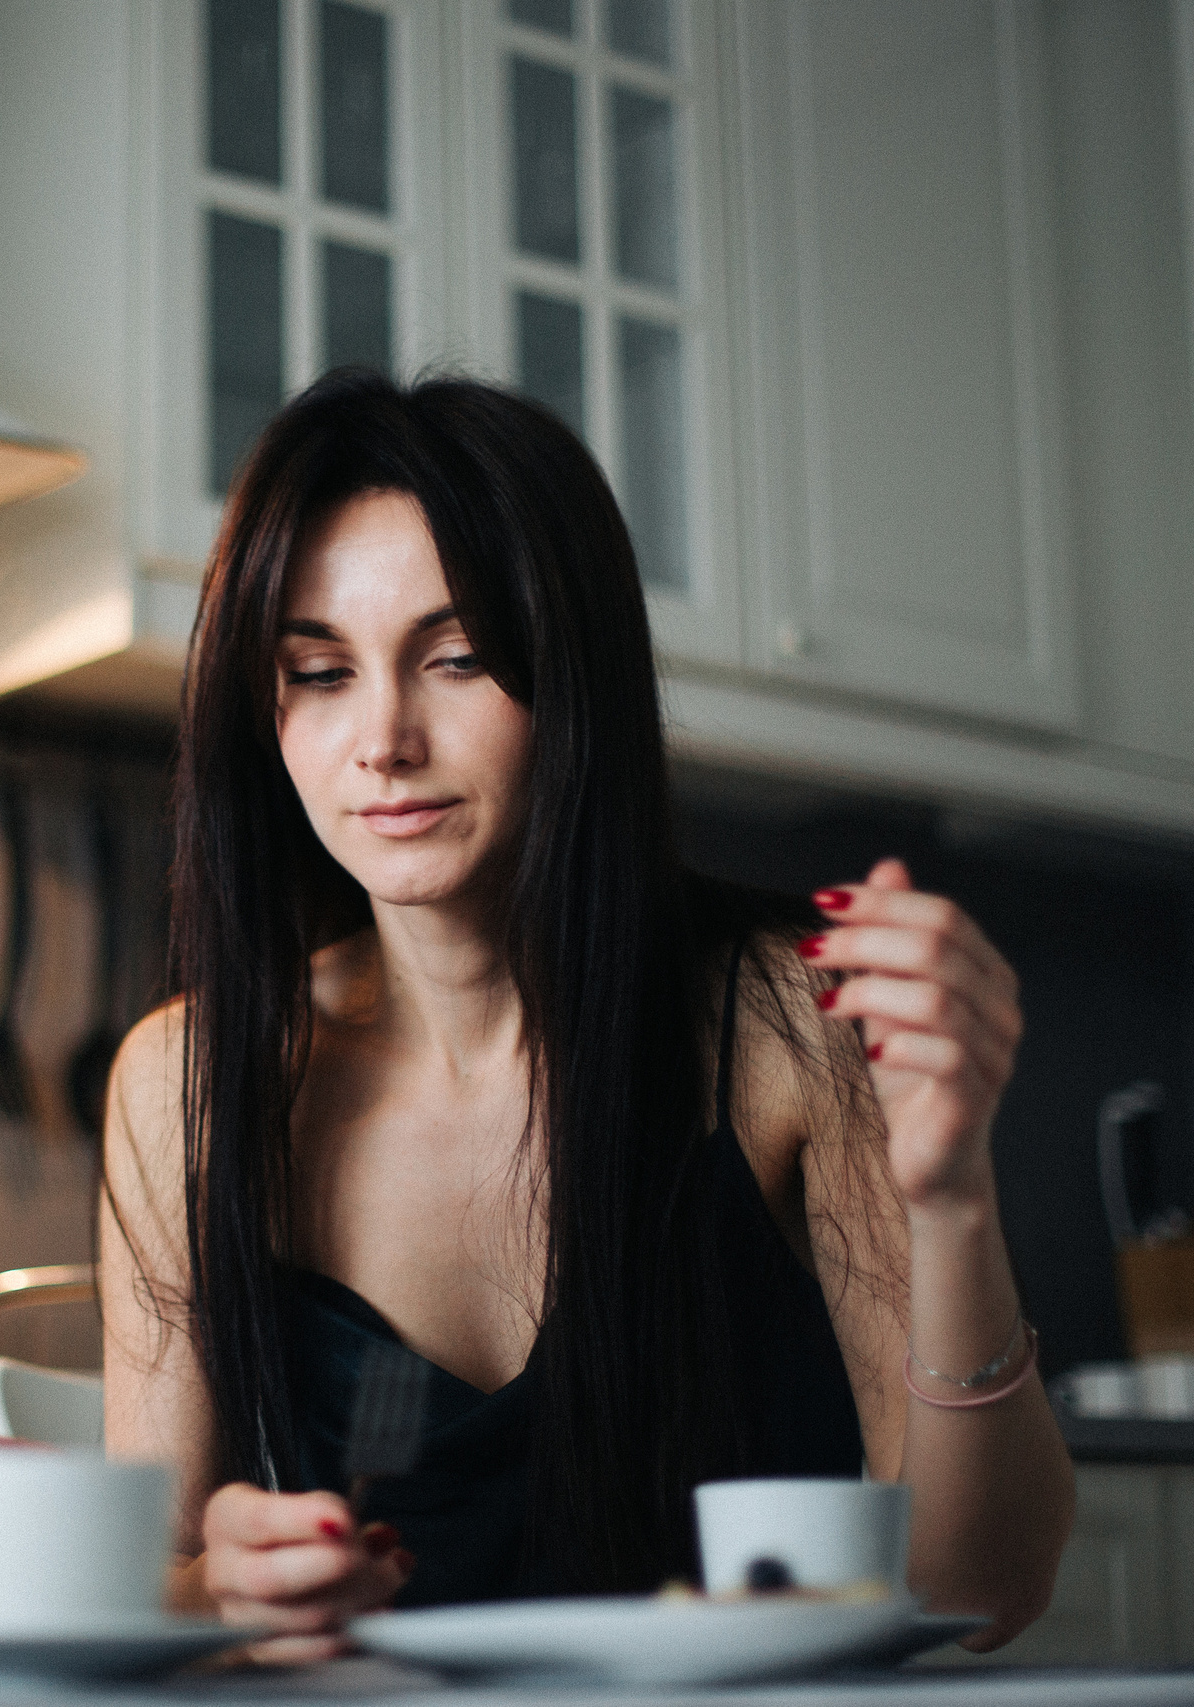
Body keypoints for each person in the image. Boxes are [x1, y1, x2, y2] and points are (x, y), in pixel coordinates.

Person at [100, 371, 1073, 1654]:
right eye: (318, 672)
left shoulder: (789, 1021)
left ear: (573, 673)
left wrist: (955, 1207)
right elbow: (147, 1589)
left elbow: (977, 1592)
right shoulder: (188, 1082)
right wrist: (222, 1593)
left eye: (453, 659)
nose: (382, 738)